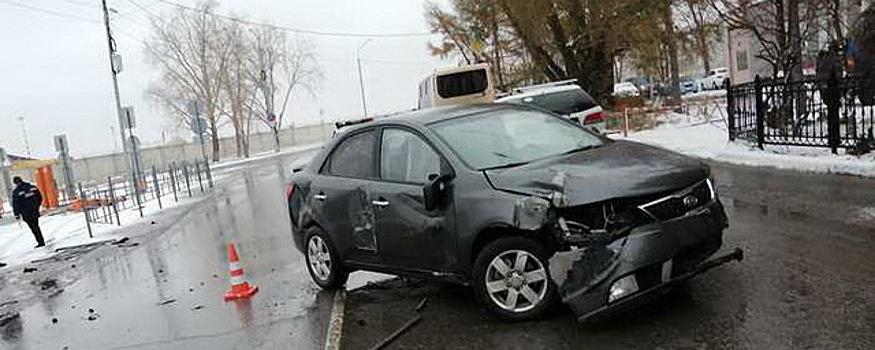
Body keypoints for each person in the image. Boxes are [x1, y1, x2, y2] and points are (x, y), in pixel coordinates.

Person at [11, 176, 45, 248]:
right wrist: (36, 206)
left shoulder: (17, 192)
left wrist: (17, 214)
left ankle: (40, 242)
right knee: (36, 225)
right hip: (34, 210)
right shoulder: (32, 187)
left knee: (33, 227)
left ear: (15, 183)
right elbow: (39, 197)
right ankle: (41, 240)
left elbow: (16, 203)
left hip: (25, 213)